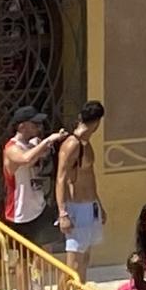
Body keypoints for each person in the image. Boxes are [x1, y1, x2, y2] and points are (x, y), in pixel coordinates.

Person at [3, 108, 69, 247]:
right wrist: (47, 141)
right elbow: (26, 159)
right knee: (23, 258)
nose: (38, 127)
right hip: (20, 213)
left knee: (46, 250)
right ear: (21, 126)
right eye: (34, 124)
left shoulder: (33, 144)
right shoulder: (11, 148)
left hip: (39, 207)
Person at [55, 98, 106, 275]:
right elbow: (61, 178)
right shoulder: (72, 145)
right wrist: (63, 213)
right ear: (97, 123)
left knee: (84, 261)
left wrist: (99, 205)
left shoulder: (85, 143)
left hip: (90, 205)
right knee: (74, 265)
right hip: (77, 207)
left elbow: (89, 177)